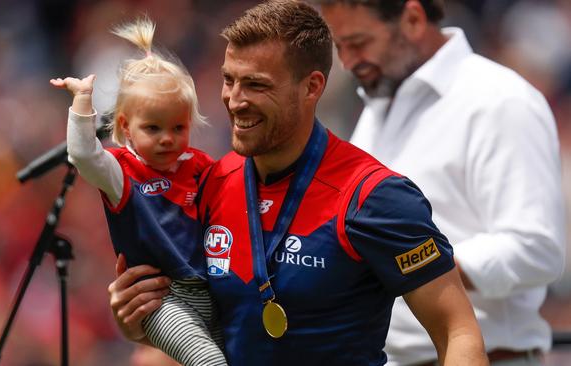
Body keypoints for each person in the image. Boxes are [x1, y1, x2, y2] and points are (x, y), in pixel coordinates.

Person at [107, 1, 489, 365]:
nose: (235, 100)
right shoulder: (212, 182)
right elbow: (216, 321)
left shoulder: (373, 196)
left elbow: (458, 331)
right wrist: (141, 323)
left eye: (256, 85)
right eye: (229, 80)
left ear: (312, 87)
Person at [315, 0, 567, 365]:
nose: (349, 62)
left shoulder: (500, 100)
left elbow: (537, 248)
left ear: (414, 19)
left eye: (358, 42)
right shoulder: (379, 104)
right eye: (341, 47)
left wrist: (415, 268)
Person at [50, 17, 227, 366]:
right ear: (124, 127)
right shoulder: (123, 171)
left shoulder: (201, 166)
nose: (166, 138)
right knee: (209, 362)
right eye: (153, 127)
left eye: (178, 127)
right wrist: (82, 101)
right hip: (162, 299)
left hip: (208, 289)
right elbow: (83, 155)